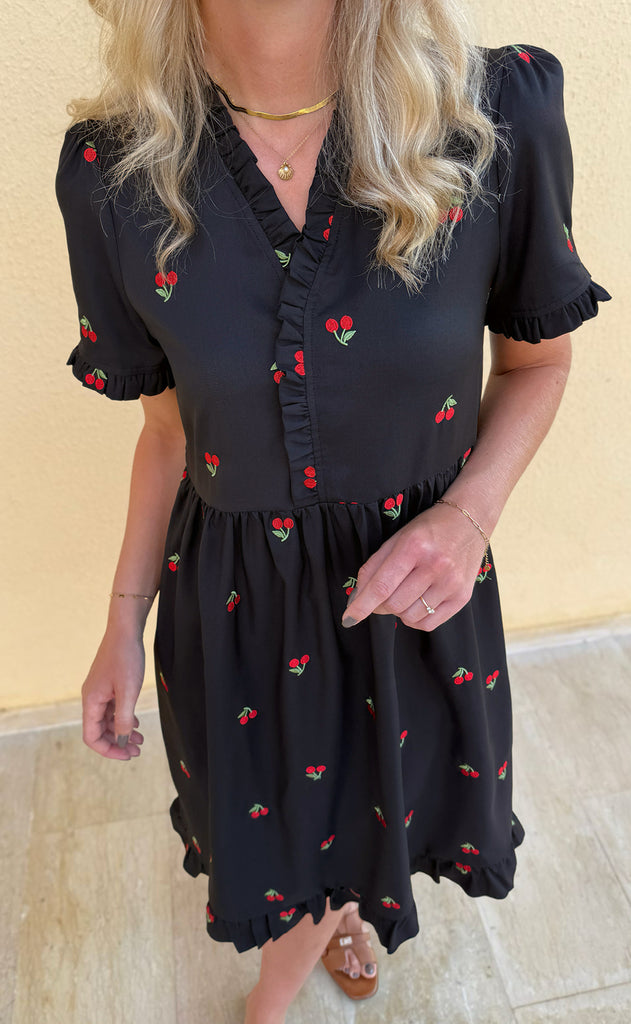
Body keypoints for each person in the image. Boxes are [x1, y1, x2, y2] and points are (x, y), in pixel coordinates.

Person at [55, 1, 611, 1021]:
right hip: (236, 609)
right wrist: (121, 623)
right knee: (277, 837)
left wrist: (469, 517)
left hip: (413, 598)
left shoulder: (494, 114)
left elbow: (538, 361)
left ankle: (283, 985)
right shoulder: (117, 172)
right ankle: (306, 949)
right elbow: (169, 431)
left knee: (372, 819)